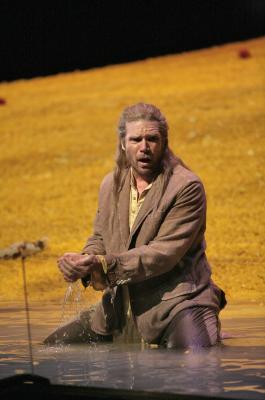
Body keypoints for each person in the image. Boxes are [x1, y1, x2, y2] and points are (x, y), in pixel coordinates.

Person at [44, 102, 226, 349]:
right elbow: (100, 236)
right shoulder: (111, 184)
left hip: (177, 303)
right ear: (122, 143)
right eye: (135, 140)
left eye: (152, 139)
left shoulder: (185, 186)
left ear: (164, 142)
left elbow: (163, 254)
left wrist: (104, 264)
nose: (144, 148)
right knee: (55, 347)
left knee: (193, 363)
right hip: (120, 305)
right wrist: (84, 260)